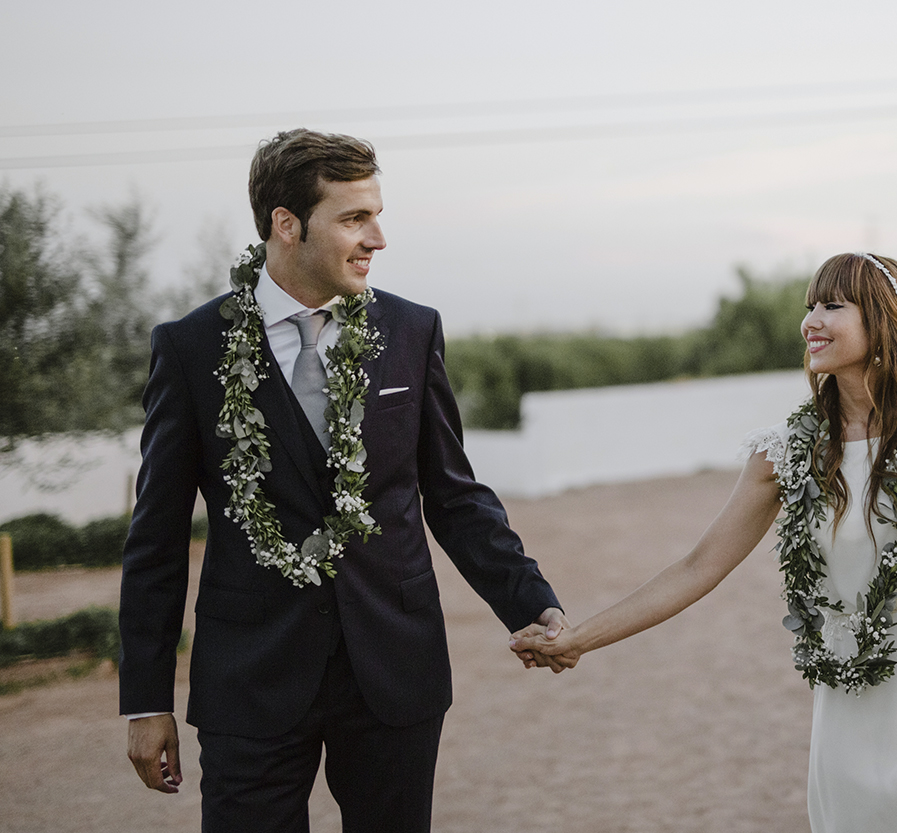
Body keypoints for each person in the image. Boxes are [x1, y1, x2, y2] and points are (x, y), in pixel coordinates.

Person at [511, 252, 897, 832]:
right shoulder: (784, 453)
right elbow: (698, 566)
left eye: (833, 306)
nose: (812, 321)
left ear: (883, 324)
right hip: (853, 710)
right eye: (811, 306)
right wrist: (582, 637)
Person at [119, 128, 568, 833]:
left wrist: (531, 601)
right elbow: (156, 537)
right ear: (286, 224)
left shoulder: (413, 331)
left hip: (395, 664)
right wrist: (145, 700)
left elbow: (451, 492)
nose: (377, 238)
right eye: (355, 218)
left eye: (376, 214)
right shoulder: (190, 348)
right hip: (250, 675)